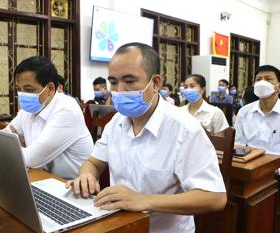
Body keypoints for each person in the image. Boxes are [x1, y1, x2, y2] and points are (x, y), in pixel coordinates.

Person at [66, 43, 226, 233]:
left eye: (129, 81)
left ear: (156, 83)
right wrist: (87, 175)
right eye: (114, 82)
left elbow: (215, 197)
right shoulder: (116, 122)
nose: (119, 90)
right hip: (118, 225)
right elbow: (93, 162)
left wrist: (144, 200)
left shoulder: (184, 129)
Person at [4, 56, 94, 179]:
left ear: (50, 89)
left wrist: (14, 146)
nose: (22, 95)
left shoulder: (67, 109)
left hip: (70, 187)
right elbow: (4, 137)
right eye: (19, 89)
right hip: (42, 179)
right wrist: (13, 145)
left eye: (29, 89)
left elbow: (31, 159)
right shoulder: (29, 109)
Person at [235, 65, 280, 155]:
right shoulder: (244, 112)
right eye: (258, 79)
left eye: (268, 79)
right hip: (249, 163)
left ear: (278, 87)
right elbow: (239, 144)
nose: (262, 83)